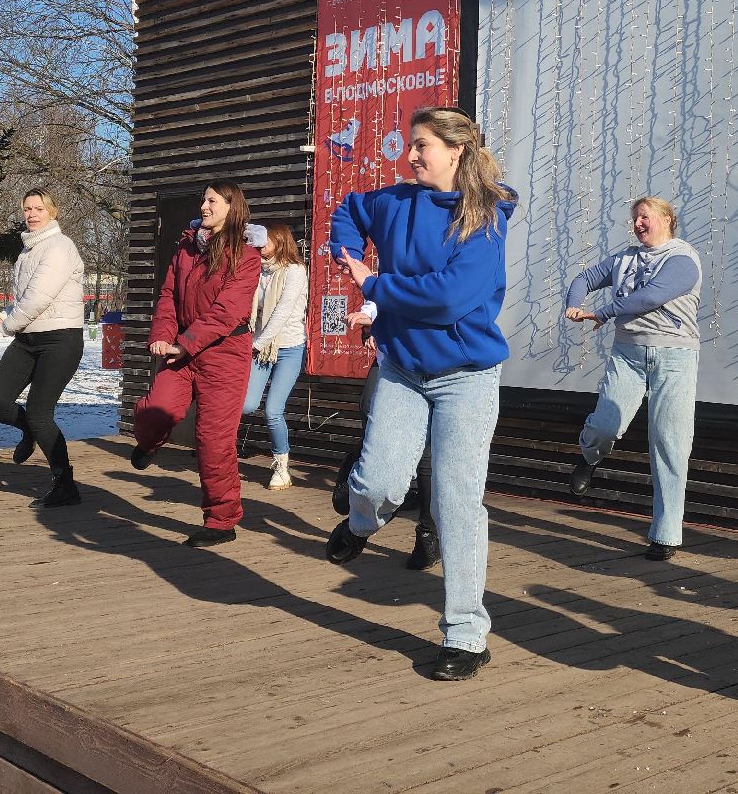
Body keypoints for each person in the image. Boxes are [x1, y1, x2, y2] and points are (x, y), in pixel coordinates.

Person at [324, 106, 517, 682]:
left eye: (422, 145)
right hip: (403, 370)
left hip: (467, 376)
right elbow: (346, 212)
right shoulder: (393, 202)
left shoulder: (483, 219)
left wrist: (376, 284)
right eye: (410, 144)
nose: (410, 155)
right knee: (379, 481)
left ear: (456, 151)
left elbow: (449, 298)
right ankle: (360, 525)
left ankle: (465, 634)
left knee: (456, 503)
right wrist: (350, 258)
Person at [562, 197, 704, 560]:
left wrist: (602, 313)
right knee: (607, 425)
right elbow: (585, 277)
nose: (638, 223)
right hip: (628, 353)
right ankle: (590, 457)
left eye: (645, 216)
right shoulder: (624, 258)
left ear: (667, 219)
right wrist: (574, 303)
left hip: (675, 357)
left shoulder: (682, 259)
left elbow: (651, 297)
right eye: (635, 218)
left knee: (670, 442)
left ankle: (666, 534)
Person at [131, 182, 262, 547]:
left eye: (211, 201)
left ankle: (221, 522)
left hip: (225, 353)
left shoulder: (247, 256)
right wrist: (163, 335)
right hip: (181, 347)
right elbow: (169, 296)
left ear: (231, 206)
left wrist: (183, 344)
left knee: (213, 441)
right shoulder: (186, 247)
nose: (203, 206)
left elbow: (226, 312)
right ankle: (149, 443)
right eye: (202, 200)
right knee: (155, 410)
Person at [0, 188, 88, 509]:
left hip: (60, 340)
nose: (31, 214)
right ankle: (29, 431)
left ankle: (65, 484)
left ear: (52, 212)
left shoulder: (59, 247)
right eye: (27, 209)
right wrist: (4, 313)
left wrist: (6, 325)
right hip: (29, 339)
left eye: (38, 209)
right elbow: (25, 297)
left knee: (41, 412)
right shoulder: (28, 250)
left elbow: (38, 298)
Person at [332, 302, 441, 570]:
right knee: (369, 409)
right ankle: (358, 479)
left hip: (438, 363)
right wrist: (370, 321)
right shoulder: (399, 263)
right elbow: (380, 292)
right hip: (391, 359)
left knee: (427, 453)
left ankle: (428, 534)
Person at [241, 223, 309, 490]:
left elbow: (281, 312)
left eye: (266, 241)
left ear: (280, 241)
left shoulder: (295, 271)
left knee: (272, 410)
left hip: (289, 348)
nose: (261, 245)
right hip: (261, 346)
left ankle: (282, 467)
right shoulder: (258, 271)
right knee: (246, 405)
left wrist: (257, 343)